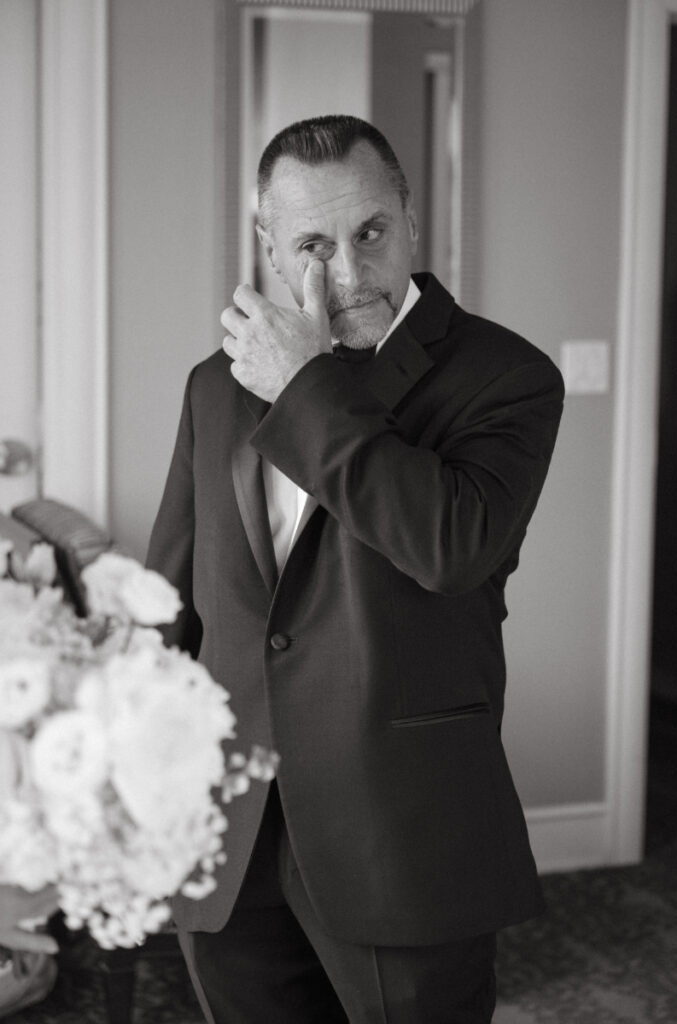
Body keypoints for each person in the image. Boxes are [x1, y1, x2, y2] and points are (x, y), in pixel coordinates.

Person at [147, 114, 564, 1024]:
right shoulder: (212, 385)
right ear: (266, 245)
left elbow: (449, 547)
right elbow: (171, 603)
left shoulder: (506, 376)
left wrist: (305, 389)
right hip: (229, 826)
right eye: (310, 243)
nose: (345, 271)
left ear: (409, 219)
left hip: (400, 832)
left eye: (368, 233)